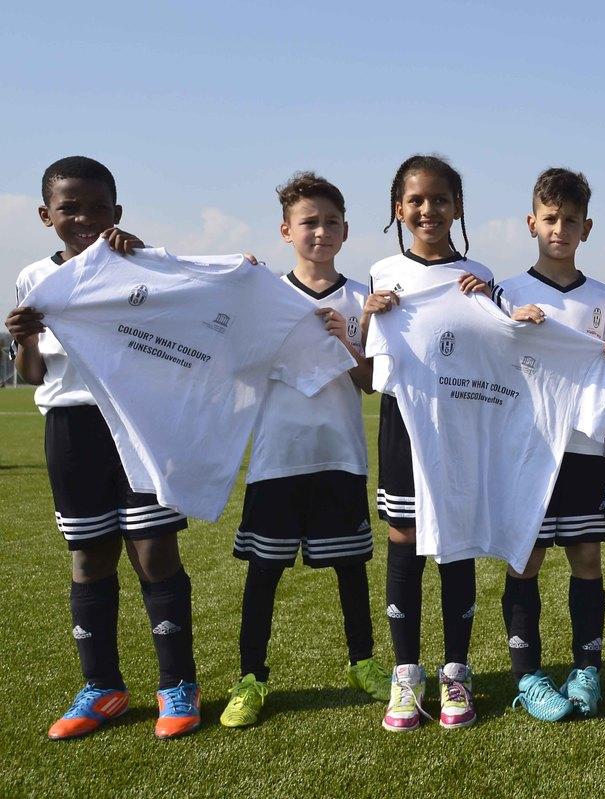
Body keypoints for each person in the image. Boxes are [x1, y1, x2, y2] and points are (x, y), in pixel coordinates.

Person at [5, 156, 198, 739]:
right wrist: (25, 339)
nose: (84, 218)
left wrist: (142, 261)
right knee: (89, 556)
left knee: (154, 551)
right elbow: (33, 374)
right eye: (70, 208)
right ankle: (103, 687)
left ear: (117, 211)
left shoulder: (137, 265)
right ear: (46, 215)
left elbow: (183, 320)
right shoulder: (35, 277)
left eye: (97, 208)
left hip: (137, 423)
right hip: (71, 431)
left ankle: (177, 685)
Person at [219, 171, 391, 728]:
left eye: (330, 222)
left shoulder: (362, 298)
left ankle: (363, 663)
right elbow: (233, 358)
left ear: (346, 231)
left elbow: (371, 382)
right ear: (286, 231)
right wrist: (237, 283)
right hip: (277, 456)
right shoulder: (265, 295)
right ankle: (251, 678)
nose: (320, 232)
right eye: (308, 222)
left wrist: (348, 339)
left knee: (351, 569)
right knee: (263, 573)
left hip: (340, 454)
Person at [364, 154, 493, 732]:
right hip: (403, 422)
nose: (428, 210)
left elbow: (497, 353)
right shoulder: (383, 272)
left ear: (457, 208)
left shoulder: (479, 275)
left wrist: (492, 303)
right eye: (416, 200)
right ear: (399, 209)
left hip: (461, 425)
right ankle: (406, 674)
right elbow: (373, 368)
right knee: (405, 538)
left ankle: (456, 672)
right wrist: (367, 316)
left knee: (456, 538)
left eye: (440, 199)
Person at [493, 167, 605, 721]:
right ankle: (527, 676)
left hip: (584, 450)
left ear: (586, 228)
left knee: (587, 556)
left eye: (571, 220)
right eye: (550, 218)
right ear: (532, 222)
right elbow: (492, 364)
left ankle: (586, 669)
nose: (560, 229)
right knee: (526, 559)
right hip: (527, 452)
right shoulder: (507, 293)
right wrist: (508, 324)